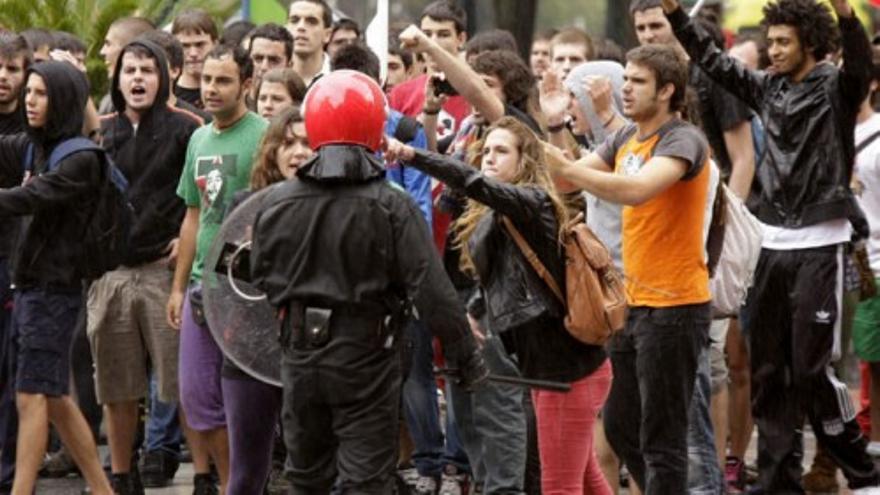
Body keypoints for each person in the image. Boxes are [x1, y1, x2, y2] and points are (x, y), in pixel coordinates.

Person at [661, 0, 880, 491]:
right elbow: (711, 61)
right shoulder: (767, 88)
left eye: (783, 42)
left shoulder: (836, 86)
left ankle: (863, 470)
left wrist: (846, 14)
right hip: (770, 242)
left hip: (822, 241)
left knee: (809, 369)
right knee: (767, 372)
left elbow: (862, 64)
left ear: (809, 41)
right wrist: (677, 15)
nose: (773, 51)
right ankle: (779, 481)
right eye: (771, 42)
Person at [250, 69, 486, 495]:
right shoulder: (392, 206)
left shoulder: (274, 203)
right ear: (377, 125)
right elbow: (431, 289)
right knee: (365, 482)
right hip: (367, 357)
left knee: (307, 478)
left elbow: (260, 275)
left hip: (300, 354)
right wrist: (466, 355)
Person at [387, 115, 612, 495]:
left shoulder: (534, 203)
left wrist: (411, 155)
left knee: (560, 486)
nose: (489, 158)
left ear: (525, 161)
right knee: (586, 478)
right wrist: (476, 310)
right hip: (549, 371)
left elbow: (473, 182)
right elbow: (500, 277)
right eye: (486, 150)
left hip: (569, 373)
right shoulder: (500, 216)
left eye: (501, 151)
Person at [544, 44, 712, 494]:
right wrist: (542, 133)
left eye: (637, 82)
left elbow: (636, 190)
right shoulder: (625, 138)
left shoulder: (682, 139)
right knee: (620, 425)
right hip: (631, 305)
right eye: (626, 80)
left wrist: (568, 168)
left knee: (663, 438)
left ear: (667, 90)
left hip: (676, 308)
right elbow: (564, 178)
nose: (626, 90)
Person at [90, 39, 202, 495]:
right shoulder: (101, 130)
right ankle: (120, 474)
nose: (138, 78)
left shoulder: (189, 128)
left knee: (183, 385)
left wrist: (184, 240)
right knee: (118, 387)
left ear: (165, 78)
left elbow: (201, 198)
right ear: (117, 79)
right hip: (111, 274)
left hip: (165, 272)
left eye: (147, 70)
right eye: (129, 70)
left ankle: (207, 476)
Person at [0, 60, 113, 495]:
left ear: (62, 99)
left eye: (41, 93)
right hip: (30, 287)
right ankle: (103, 490)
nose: (29, 100)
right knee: (55, 399)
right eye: (28, 92)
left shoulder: (80, 158)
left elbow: (29, 197)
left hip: (54, 291)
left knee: (30, 397)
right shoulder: (34, 147)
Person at [166, 44, 268, 495]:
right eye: (206, 79)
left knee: (243, 402)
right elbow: (193, 216)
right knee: (195, 398)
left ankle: (240, 486)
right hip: (199, 288)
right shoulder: (198, 138)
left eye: (223, 80)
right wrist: (176, 287)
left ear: (247, 84)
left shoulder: (266, 134)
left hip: (246, 290)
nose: (210, 88)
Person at [222, 107, 311, 494]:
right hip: (249, 350)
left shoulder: (336, 206)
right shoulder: (245, 202)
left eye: (309, 143)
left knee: (311, 469)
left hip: (310, 351)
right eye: (288, 143)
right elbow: (226, 274)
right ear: (272, 151)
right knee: (246, 471)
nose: (298, 152)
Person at [0, 31, 28, 495]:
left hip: (16, 261)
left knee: (11, 373)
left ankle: (6, 473)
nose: (2, 78)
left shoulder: (34, 124)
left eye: (12, 69)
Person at [388, 0, 471, 140]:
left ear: (461, 39)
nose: (432, 42)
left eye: (443, 34)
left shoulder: (475, 93)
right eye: (427, 34)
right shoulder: (400, 95)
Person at [172, 9, 218, 109]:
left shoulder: (229, 89)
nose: (193, 53)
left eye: (200, 44)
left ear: (215, 44)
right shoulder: (168, 94)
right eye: (185, 46)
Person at [286, 0, 333, 86]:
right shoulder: (272, 74)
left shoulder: (339, 76)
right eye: (294, 21)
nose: (301, 27)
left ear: (327, 35)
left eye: (311, 21)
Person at [248, 23, 294, 105]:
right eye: (258, 59)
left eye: (274, 60)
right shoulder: (232, 108)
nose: (264, 67)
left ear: (289, 66)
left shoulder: (301, 111)